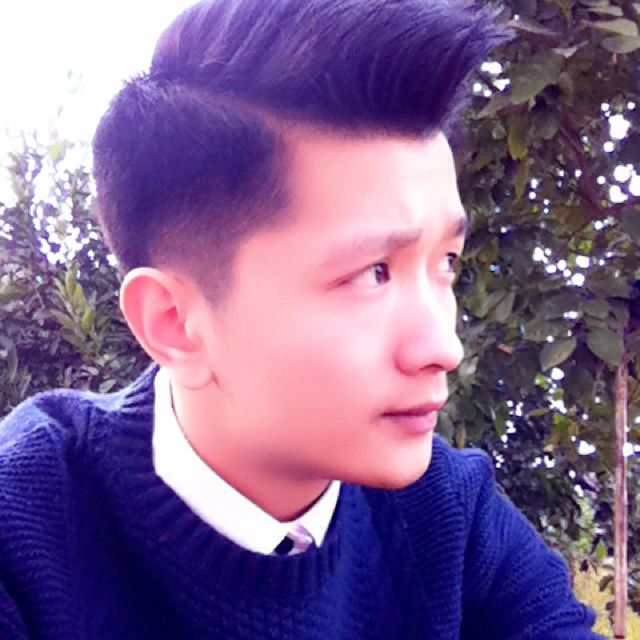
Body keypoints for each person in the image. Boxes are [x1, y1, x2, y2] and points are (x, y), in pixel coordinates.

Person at [0, 0, 604, 638]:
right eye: (372, 273)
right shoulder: (23, 535)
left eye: (445, 262)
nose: (443, 346)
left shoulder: (447, 515)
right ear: (174, 323)